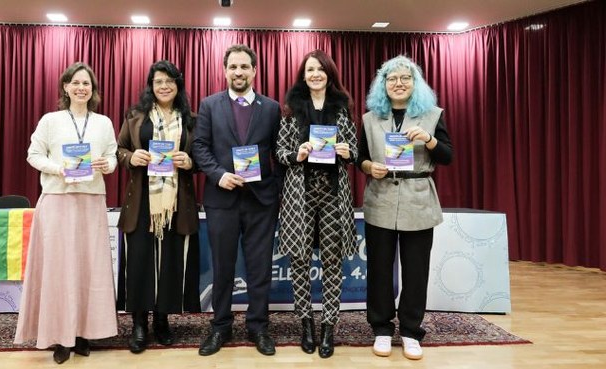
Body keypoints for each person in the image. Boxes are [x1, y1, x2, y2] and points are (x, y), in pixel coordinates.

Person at [14, 62, 119, 364]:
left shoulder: (103, 123)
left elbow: (112, 155)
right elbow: (33, 155)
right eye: (75, 83)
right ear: (65, 87)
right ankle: (60, 336)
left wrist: (107, 165)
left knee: (88, 268)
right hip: (58, 199)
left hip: (90, 199)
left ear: (93, 90)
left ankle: (85, 332)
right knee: (59, 271)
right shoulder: (51, 120)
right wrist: (59, 168)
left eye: (86, 83)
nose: (81, 88)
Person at [357, 55, 453, 360]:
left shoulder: (433, 116)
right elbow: (360, 158)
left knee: (416, 269)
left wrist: (430, 141)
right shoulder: (369, 118)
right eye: (392, 79)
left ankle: (412, 331)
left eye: (405, 78)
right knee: (379, 269)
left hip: (418, 198)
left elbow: (448, 156)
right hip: (380, 198)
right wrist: (369, 166)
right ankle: (382, 329)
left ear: (416, 84)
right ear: (382, 86)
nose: (398, 84)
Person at [192, 44, 282, 357]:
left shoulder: (271, 108)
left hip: (261, 201)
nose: (239, 72)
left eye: (245, 67)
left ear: (255, 71)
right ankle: (221, 326)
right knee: (223, 268)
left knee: (260, 269)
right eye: (233, 67)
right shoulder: (209, 105)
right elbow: (200, 147)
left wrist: (279, 193)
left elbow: (278, 153)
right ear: (225, 70)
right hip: (222, 198)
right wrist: (218, 175)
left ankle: (258, 327)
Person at [275, 50, 358, 358]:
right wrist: (296, 154)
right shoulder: (290, 109)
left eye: (320, 69)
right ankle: (306, 323)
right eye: (310, 69)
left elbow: (355, 151)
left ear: (329, 74)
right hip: (300, 194)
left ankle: (329, 328)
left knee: (333, 263)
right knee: (299, 261)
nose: (315, 74)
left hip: (334, 194)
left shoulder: (342, 108)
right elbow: (279, 152)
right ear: (303, 74)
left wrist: (347, 151)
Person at [115, 60, 201, 354]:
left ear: (178, 85)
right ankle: (139, 324)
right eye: (158, 81)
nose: (164, 86)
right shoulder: (136, 116)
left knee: (170, 262)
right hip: (142, 201)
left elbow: (202, 156)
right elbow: (119, 149)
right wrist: (131, 158)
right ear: (151, 86)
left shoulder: (192, 119)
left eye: (169, 81)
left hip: (178, 202)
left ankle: (162, 320)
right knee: (140, 261)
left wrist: (190, 162)